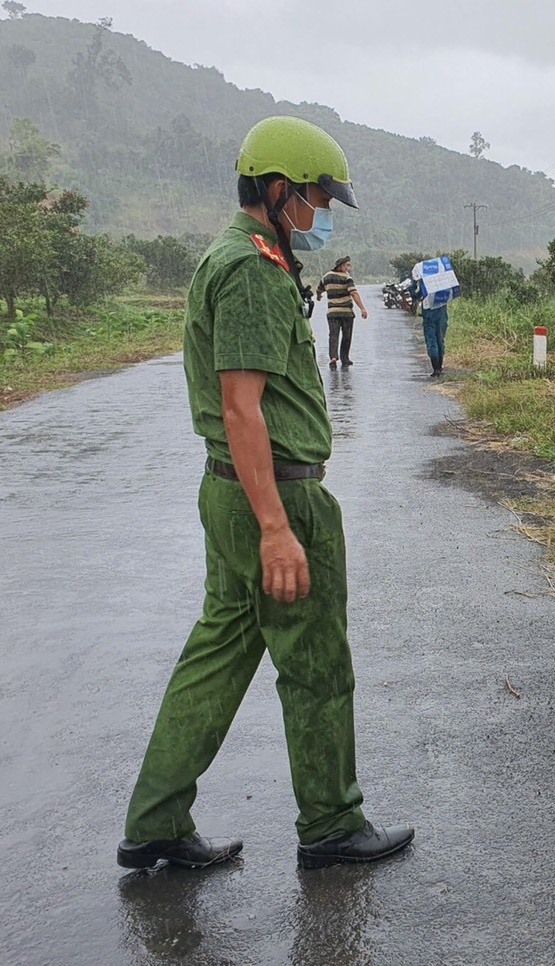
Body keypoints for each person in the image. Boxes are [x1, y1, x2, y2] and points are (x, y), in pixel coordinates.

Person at [117, 116, 414, 871]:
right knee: (315, 659)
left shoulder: (243, 257)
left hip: (233, 495)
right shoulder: (250, 269)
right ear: (278, 190)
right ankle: (332, 825)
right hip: (273, 497)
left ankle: (155, 821)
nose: (320, 214)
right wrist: (278, 528)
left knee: (219, 651)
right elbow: (243, 405)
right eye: (314, 197)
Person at [317, 255, 367, 367]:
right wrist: (362, 308)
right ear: (342, 266)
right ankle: (345, 358)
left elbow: (319, 289)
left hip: (332, 312)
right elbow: (354, 293)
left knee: (333, 335)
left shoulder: (326, 277)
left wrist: (319, 296)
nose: (349, 267)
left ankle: (333, 357)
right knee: (346, 336)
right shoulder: (347, 278)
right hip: (346, 312)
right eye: (348, 265)